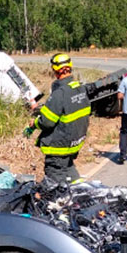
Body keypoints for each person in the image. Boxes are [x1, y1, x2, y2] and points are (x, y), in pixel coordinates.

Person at [23, 53, 91, 183]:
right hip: (73, 145)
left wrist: (35, 123)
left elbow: (47, 122)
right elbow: (63, 110)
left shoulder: (60, 93)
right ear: (70, 67)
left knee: (54, 186)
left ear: (54, 70)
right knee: (71, 175)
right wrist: (40, 108)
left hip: (58, 148)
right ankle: (79, 196)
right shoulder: (80, 89)